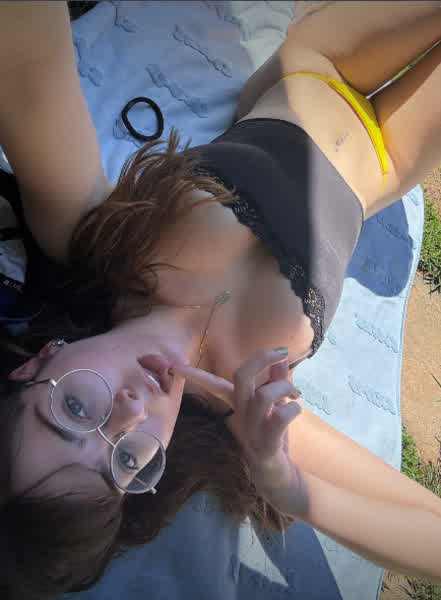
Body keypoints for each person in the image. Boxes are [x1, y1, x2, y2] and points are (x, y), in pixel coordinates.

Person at [0, 1, 441, 598]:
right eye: (124, 462)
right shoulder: (247, 404)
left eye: (76, 409)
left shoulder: (89, 235)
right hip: (392, 159)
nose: (131, 413)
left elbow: (25, 58)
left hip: (317, 65)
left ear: (38, 361)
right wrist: (288, 489)